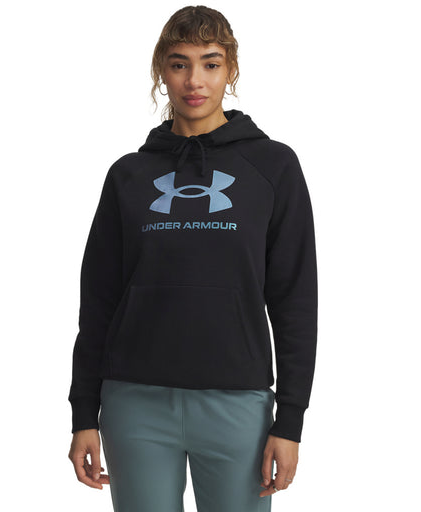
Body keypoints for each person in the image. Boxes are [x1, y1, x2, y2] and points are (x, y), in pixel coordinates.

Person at [67, 5, 318, 512]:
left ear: (231, 70)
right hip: (134, 402)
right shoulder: (129, 175)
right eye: (179, 63)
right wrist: (83, 414)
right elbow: (97, 302)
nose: (194, 81)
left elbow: (295, 299)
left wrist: (290, 420)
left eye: (211, 63)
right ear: (161, 70)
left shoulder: (273, 167)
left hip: (237, 403)